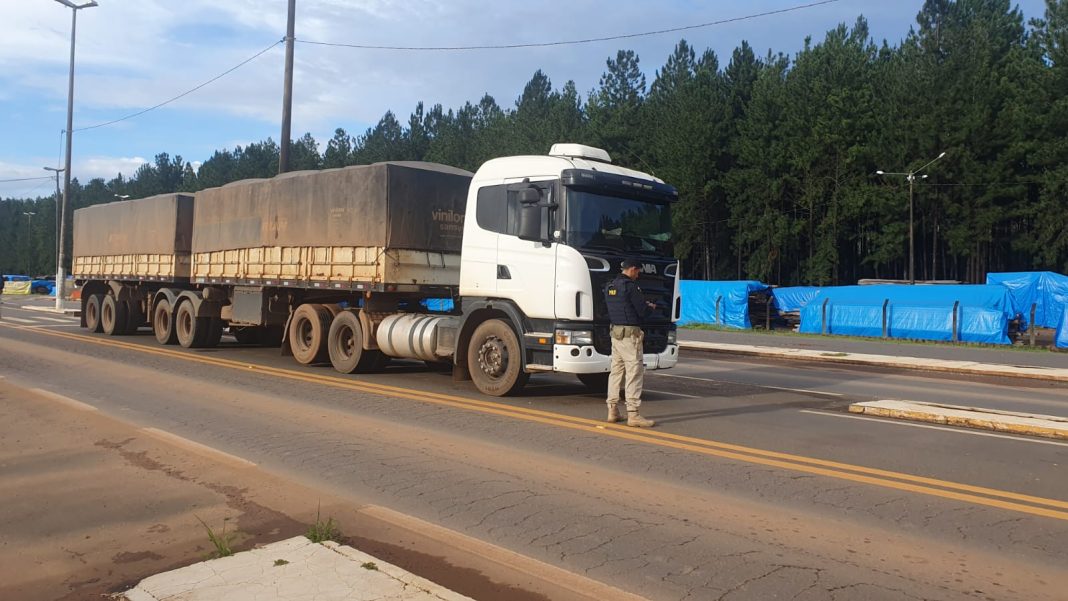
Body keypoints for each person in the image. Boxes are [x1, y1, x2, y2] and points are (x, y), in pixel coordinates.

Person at [604, 258, 657, 427]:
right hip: (630, 337)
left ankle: (612, 410)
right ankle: (633, 414)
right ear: (633, 269)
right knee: (634, 373)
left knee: (616, 372)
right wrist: (650, 307)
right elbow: (642, 311)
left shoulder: (610, 286)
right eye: (638, 271)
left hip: (616, 334)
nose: (638, 275)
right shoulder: (631, 287)